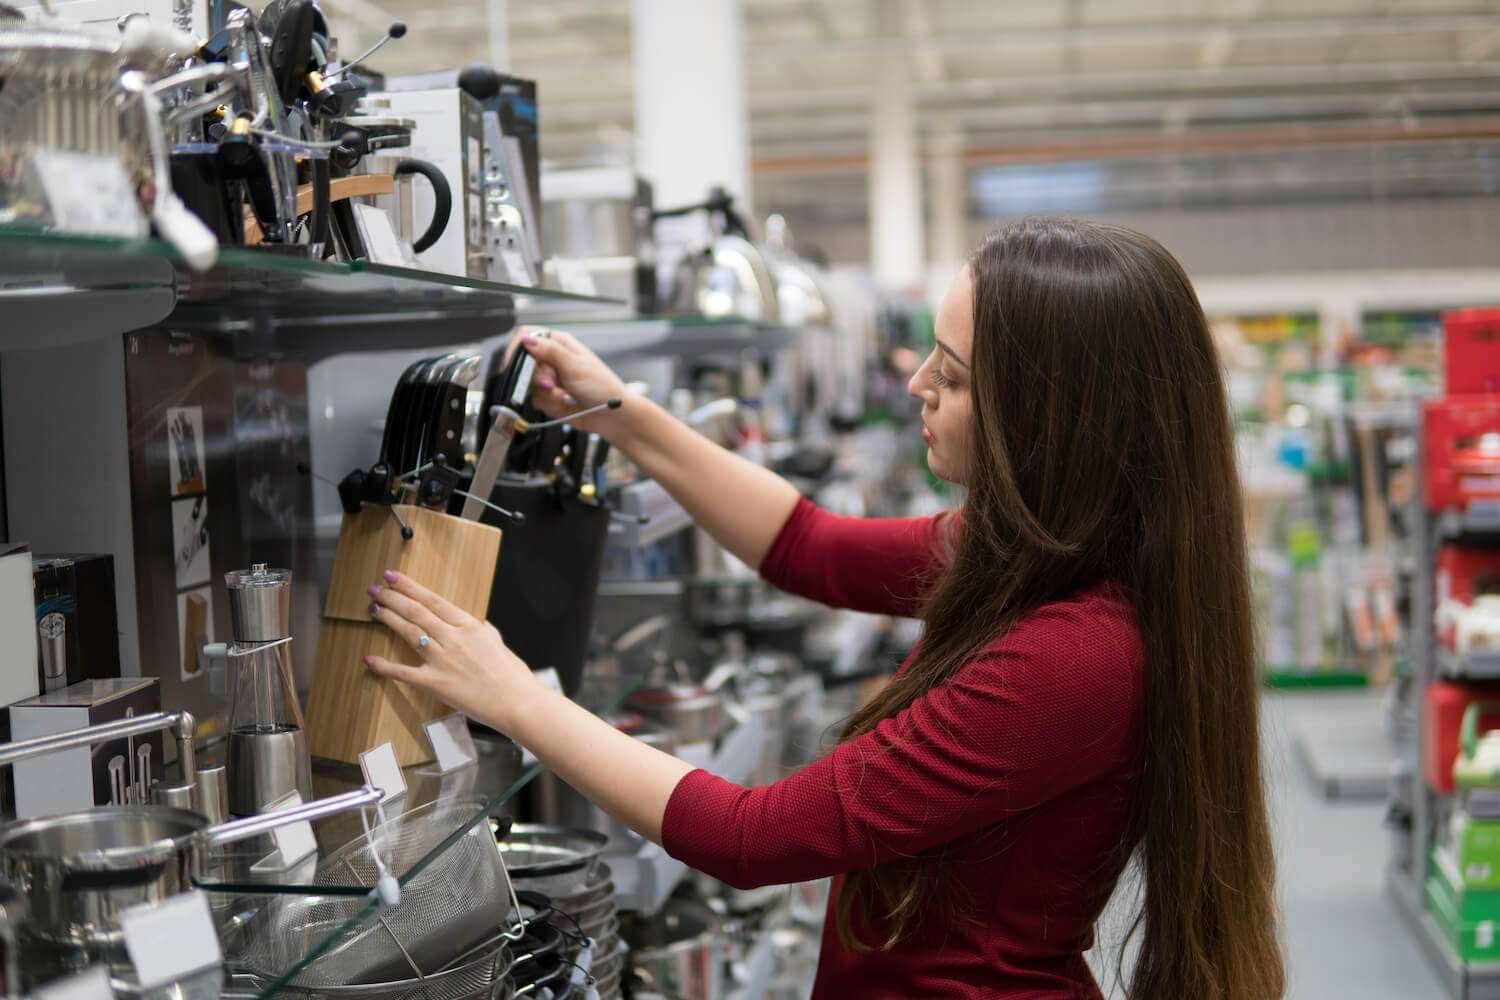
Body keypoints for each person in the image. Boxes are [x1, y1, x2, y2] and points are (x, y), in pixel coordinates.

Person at [362, 217, 1286, 999]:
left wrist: (516, 696)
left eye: (953, 376)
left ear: (1050, 417)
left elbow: (752, 835)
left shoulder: (1073, 655)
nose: (918, 385)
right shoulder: (1030, 551)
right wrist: (621, 414)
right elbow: (809, 546)